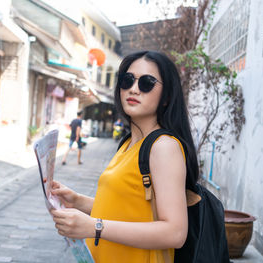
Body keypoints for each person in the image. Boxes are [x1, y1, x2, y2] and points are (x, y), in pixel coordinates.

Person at [51, 51, 199, 262]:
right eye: (127, 80)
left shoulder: (164, 147)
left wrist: (95, 227)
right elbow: (129, 208)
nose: (134, 89)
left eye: (147, 83)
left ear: (166, 97)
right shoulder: (128, 143)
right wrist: (77, 201)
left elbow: (175, 233)